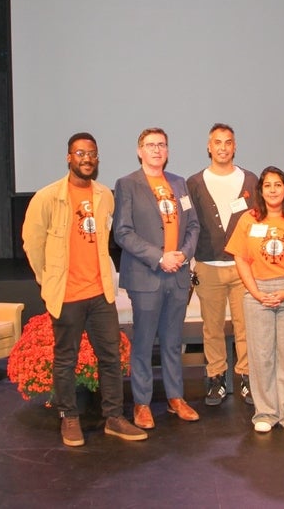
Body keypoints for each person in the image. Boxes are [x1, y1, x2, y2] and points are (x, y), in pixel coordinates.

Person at [22, 131, 148, 446]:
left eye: (91, 153)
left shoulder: (105, 195)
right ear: (69, 157)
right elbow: (32, 244)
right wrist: (48, 279)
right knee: (66, 358)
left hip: (100, 293)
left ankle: (114, 418)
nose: (86, 159)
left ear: (97, 157)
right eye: (80, 153)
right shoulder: (48, 197)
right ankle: (70, 418)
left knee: (110, 357)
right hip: (66, 295)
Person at [113, 127, 201, 430]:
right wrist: (158, 256)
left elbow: (193, 227)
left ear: (167, 150)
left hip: (177, 274)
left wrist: (183, 255)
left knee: (173, 340)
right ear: (140, 151)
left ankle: (176, 398)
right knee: (144, 342)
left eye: (161, 144)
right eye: (150, 145)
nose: (156, 150)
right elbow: (122, 231)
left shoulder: (179, 183)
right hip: (146, 275)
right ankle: (142, 403)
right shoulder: (127, 184)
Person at [225, 166, 284, 433]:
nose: (273, 190)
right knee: (261, 356)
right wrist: (256, 293)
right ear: (261, 190)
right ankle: (265, 413)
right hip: (257, 293)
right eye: (267, 185)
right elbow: (240, 259)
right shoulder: (249, 219)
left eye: (278, 185)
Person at [186, 123, 258, 406]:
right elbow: (188, 225)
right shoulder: (193, 183)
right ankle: (216, 378)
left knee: (246, 326)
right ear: (209, 146)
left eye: (228, 142)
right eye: (218, 142)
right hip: (208, 266)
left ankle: (248, 378)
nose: (223, 147)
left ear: (235, 146)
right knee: (212, 327)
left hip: (244, 268)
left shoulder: (251, 180)